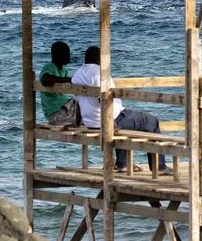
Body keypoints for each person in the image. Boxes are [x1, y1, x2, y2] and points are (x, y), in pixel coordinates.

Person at [69, 45, 168, 173]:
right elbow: (103, 99)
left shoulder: (77, 74)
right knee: (151, 121)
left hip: (90, 122)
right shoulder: (99, 74)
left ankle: (123, 163)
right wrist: (111, 122)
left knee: (126, 121)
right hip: (108, 120)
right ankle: (159, 167)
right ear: (99, 58)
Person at [38, 41, 80, 126]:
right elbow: (45, 79)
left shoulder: (64, 70)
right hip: (56, 112)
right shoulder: (49, 67)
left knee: (84, 102)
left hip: (63, 109)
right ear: (58, 55)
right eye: (66, 53)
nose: (68, 55)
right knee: (82, 102)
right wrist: (68, 80)